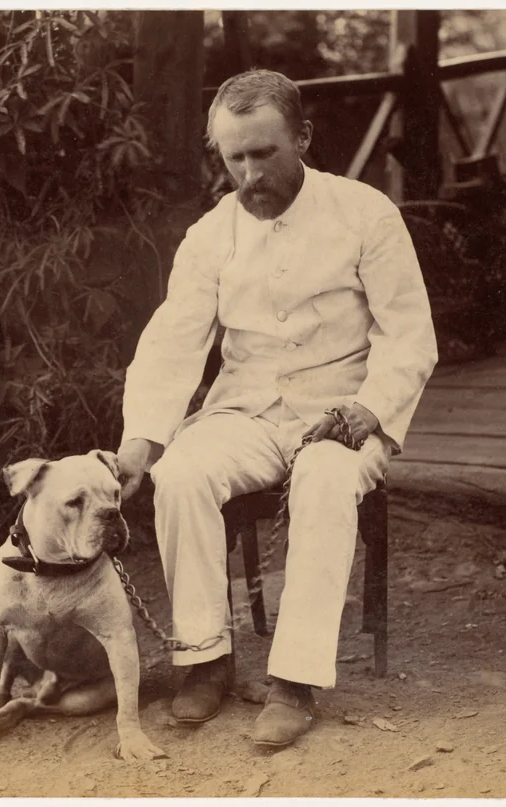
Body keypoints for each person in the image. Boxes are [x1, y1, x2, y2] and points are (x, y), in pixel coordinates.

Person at [116, 68, 437, 748]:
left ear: (303, 137)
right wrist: (140, 442)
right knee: (181, 474)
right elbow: (174, 341)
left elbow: (410, 334)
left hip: (343, 410)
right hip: (247, 411)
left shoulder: (366, 214)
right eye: (235, 158)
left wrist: (367, 410)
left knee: (322, 477)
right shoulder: (211, 235)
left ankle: (294, 680)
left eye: (265, 153)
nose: (250, 174)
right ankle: (204, 658)